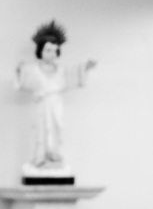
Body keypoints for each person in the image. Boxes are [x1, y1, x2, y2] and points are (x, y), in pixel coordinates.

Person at [15, 20, 96, 177]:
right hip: (41, 105)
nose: (50, 54)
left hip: (55, 104)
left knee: (56, 130)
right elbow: (23, 81)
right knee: (41, 131)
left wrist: (86, 67)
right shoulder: (34, 71)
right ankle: (40, 159)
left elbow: (74, 73)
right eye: (47, 50)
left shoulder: (61, 71)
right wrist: (19, 70)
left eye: (53, 50)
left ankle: (54, 157)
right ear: (40, 51)